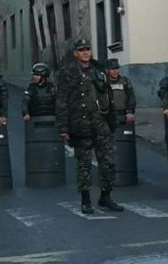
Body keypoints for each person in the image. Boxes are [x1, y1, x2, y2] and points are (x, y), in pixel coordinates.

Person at [56, 38, 122, 214]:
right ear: (76, 53)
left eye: (88, 49)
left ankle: (106, 196)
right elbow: (62, 100)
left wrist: (112, 120)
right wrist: (63, 127)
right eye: (82, 50)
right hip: (80, 123)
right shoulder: (67, 72)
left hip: (100, 122)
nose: (85, 52)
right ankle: (85, 200)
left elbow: (109, 95)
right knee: (84, 164)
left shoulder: (99, 69)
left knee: (108, 161)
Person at [104, 58, 136, 128]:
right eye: (112, 69)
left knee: (126, 136)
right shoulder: (103, 83)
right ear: (107, 70)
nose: (115, 71)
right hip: (109, 116)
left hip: (124, 115)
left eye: (117, 68)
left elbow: (131, 96)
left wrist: (130, 112)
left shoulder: (125, 81)